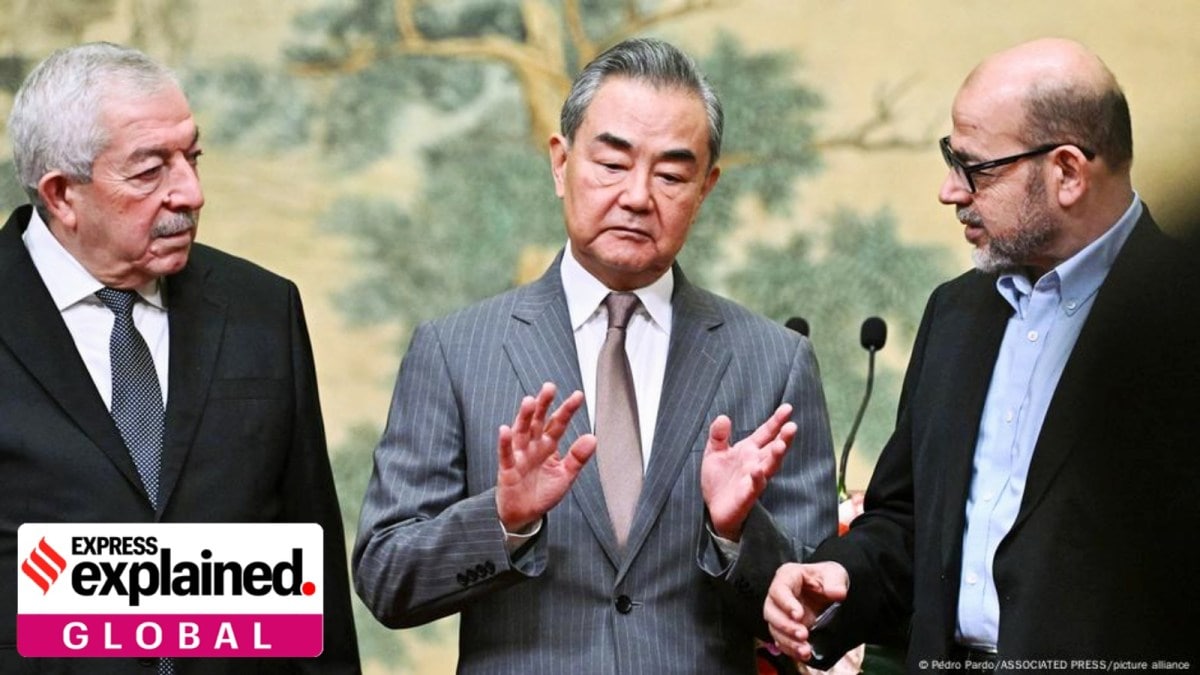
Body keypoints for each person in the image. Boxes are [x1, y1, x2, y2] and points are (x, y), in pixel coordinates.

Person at [353, 37, 836, 673]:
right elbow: (387, 577)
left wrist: (734, 532)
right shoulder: (454, 351)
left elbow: (819, 610)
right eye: (612, 164)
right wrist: (504, 519)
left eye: (670, 174)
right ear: (560, 163)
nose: (638, 196)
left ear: (705, 188)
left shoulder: (774, 360)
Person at [764, 37, 1200, 670]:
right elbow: (908, 522)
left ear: (1068, 173)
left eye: (976, 167)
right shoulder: (957, 313)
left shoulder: (1177, 322)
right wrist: (838, 578)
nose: (950, 190)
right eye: (951, 159)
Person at [0, 43, 360, 674]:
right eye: (149, 172)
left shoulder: (262, 308)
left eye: (191, 158)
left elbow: (313, 560)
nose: (190, 193)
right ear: (61, 195)